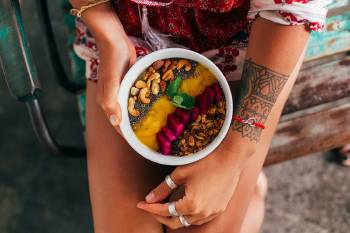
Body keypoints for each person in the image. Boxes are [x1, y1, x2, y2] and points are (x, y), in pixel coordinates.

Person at [68, 0, 329, 232]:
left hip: (248, 38)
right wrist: (108, 35)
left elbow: (290, 7)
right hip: (124, 29)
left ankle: (248, 194)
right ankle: (249, 199)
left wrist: (233, 156)